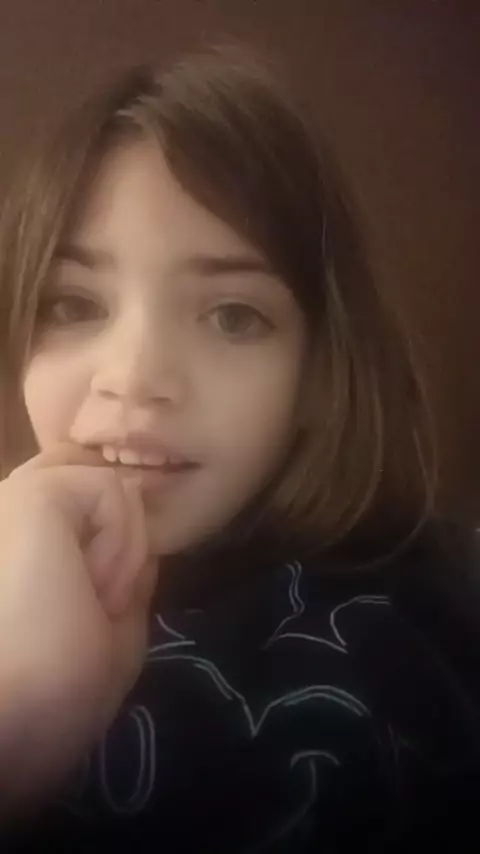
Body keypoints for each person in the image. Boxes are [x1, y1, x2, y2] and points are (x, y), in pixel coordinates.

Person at [0, 44, 479, 852]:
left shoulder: (427, 636)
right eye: (74, 304)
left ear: (319, 375)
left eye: (232, 316)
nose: (135, 379)